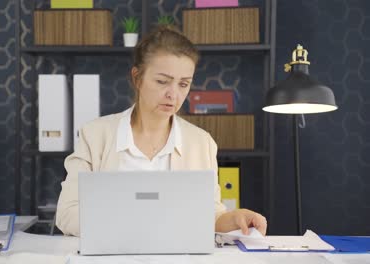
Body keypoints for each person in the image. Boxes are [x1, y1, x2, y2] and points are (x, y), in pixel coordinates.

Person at [56, 25, 267, 237]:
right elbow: (67, 214)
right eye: (162, 82)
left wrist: (236, 217)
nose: (173, 94)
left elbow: (210, 215)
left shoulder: (201, 143)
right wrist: (137, 226)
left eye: (183, 84)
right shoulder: (95, 135)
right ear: (137, 78)